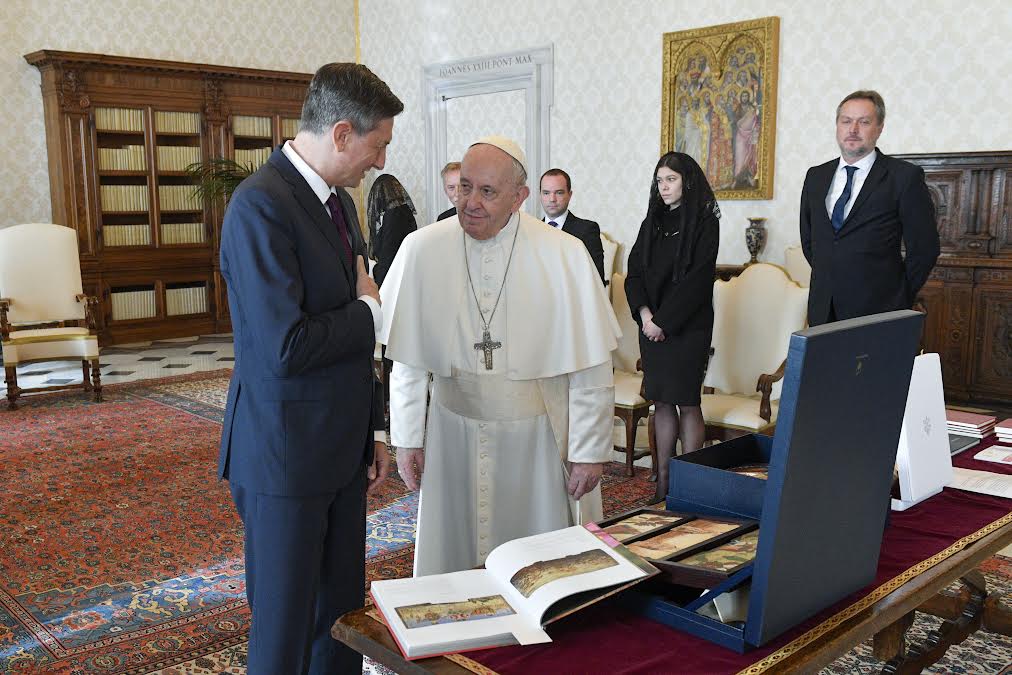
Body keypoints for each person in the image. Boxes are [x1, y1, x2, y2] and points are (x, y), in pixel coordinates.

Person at [218, 62, 401, 674]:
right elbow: (286, 346)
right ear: (342, 134)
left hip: (341, 447)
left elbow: (350, 337)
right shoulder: (259, 205)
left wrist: (373, 429)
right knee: (284, 630)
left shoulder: (340, 203)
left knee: (340, 621)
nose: (380, 162)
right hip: (285, 457)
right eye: (378, 145)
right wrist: (370, 312)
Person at [379, 136, 620, 576]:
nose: (470, 202)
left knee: (541, 568)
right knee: (453, 566)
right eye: (465, 187)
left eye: (487, 192)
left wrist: (588, 450)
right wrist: (408, 437)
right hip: (451, 435)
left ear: (520, 196)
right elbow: (408, 357)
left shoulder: (564, 254)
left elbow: (591, 367)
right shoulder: (422, 248)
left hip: (536, 439)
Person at [625, 152, 719, 502]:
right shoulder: (652, 221)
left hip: (688, 328)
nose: (663, 187)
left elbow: (698, 282)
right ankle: (663, 484)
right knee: (661, 403)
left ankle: (689, 488)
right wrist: (646, 316)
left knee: (688, 403)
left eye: (671, 179)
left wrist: (664, 321)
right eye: (660, 180)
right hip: (651, 327)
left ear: (687, 181)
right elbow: (634, 274)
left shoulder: (705, 222)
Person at [800, 90, 939, 326]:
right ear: (837, 125)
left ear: (879, 128)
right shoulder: (816, 176)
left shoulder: (903, 177)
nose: (853, 129)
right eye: (846, 121)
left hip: (879, 311)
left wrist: (898, 296)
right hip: (823, 308)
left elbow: (925, 249)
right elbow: (809, 240)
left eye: (864, 122)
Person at [540, 168, 606, 285]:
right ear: (540, 195)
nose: (552, 199)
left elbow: (596, 279)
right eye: (546, 193)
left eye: (559, 193)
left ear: (569, 195)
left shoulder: (587, 230)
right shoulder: (531, 231)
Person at [367, 174, 418, 287]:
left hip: (393, 280)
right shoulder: (405, 210)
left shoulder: (394, 215)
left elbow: (388, 255)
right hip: (407, 275)